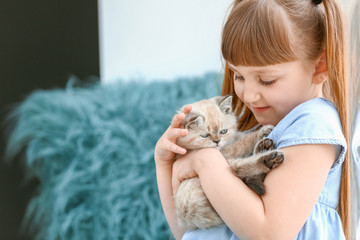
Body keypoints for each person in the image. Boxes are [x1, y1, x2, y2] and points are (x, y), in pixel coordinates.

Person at [154, 0, 350, 239]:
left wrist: (205, 162)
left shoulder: (313, 125)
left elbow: (269, 233)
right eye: (238, 75)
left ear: (320, 66)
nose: (248, 95)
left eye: (266, 80)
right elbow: (188, 230)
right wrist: (165, 164)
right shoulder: (257, 134)